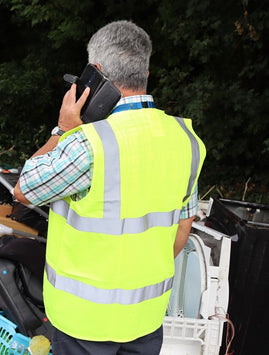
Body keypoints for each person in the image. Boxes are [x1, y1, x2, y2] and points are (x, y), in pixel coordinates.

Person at [13, 20, 206, 354]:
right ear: (144, 70)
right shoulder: (186, 141)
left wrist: (62, 129)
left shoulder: (89, 142)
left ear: (96, 71)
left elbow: (23, 189)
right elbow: (181, 232)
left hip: (82, 325)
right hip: (145, 321)